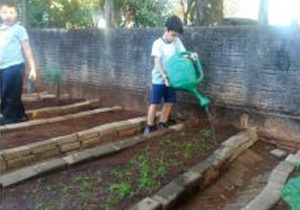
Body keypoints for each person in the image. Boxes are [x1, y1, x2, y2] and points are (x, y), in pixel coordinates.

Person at [143, 15, 186, 135]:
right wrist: (164, 76)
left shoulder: (177, 42)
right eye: (172, 34)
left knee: (169, 102)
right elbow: (157, 62)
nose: (174, 37)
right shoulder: (158, 44)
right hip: (159, 78)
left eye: (176, 35)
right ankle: (149, 126)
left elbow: (183, 54)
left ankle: (162, 123)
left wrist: (190, 56)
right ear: (165, 30)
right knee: (154, 103)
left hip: (171, 78)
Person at [0, 0, 37, 125]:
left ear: (16, 15)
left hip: (14, 66)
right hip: (2, 67)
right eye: (4, 12)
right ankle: (20, 115)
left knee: (9, 92)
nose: (8, 15)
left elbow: (27, 49)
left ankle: (9, 118)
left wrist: (32, 67)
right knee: (10, 91)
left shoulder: (19, 29)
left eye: (11, 12)